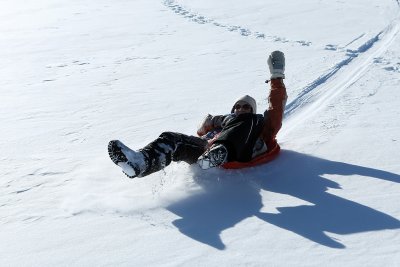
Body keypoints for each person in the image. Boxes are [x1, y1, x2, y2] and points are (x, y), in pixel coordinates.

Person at [108, 51, 288, 178]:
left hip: (241, 152)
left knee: (245, 122)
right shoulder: (220, 124)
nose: (241, 109)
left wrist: (276, 76)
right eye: (238, 107)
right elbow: (201, 131)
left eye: (246, 107)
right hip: (207, 153)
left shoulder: (257, 125)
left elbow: (276, 110)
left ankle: (222, 151)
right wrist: (212, 122)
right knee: (171, 138)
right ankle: (141, 163)